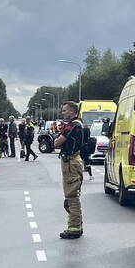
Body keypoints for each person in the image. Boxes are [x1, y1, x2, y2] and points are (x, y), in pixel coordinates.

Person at [53, 101, 85, 239]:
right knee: (72, 195)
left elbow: (57, 143)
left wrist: (57, 137)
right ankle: (77, 225)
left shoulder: (73, 125)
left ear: (72, 111)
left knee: (71, 196)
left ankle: (74, 228)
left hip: (71, 162)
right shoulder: (77, 124)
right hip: (73, 161)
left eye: (65, 110)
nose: (63, 113)